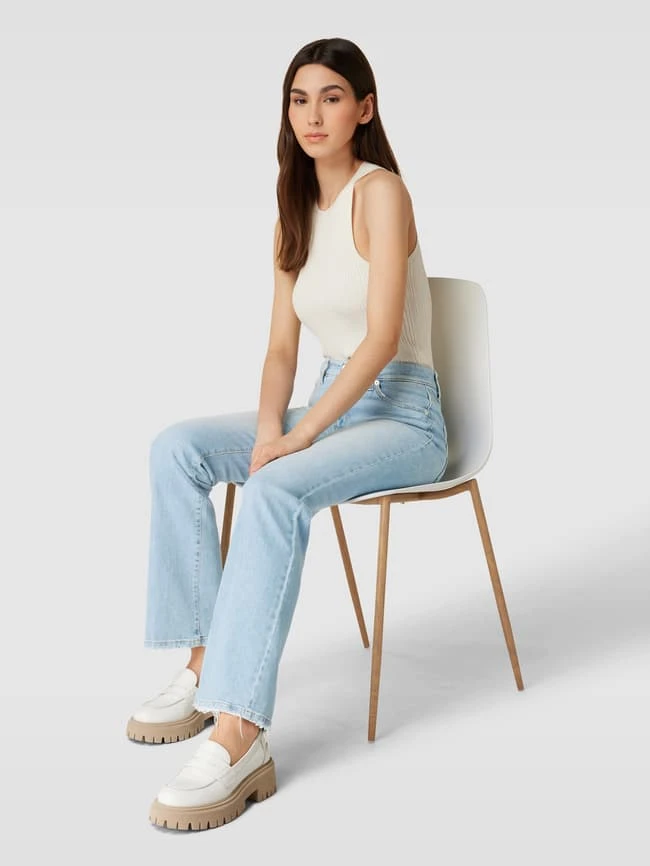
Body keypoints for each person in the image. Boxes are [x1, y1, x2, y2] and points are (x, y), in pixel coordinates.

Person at [127, 36, 449, 831]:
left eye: (332, 97)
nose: (313, 114)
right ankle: (205, 661)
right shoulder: (292, 210)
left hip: (404, 414)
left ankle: (240, 733)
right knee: (178, 448)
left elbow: (381, 339)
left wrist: (299, 443)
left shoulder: (382, 193)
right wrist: (274, 427)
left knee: (273, 488)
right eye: (299, 99)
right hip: (326, 402)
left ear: (364, 109)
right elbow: (280, 350)